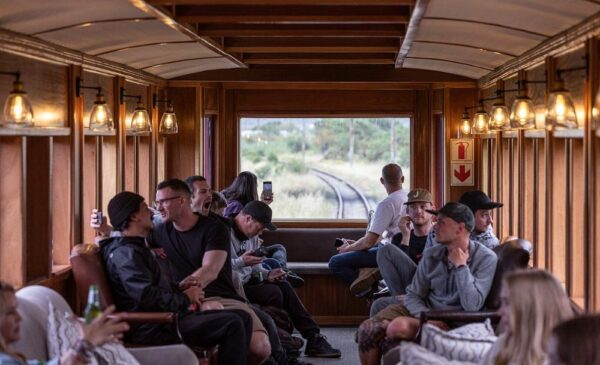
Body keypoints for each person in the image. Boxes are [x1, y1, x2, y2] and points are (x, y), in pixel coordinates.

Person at [100, 191, 254, 365]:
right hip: (154, 326)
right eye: (145, 209)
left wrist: (180, 287)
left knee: (243, 317)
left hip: (165, 317)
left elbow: (151, 287)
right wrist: (185, 298)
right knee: (233, 323)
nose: (152, 213)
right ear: (134, 216)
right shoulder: (126, 254)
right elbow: (146, 296)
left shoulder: (133, 247)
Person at [356, 202, 497, 365]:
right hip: (424, 313)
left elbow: (472, 306)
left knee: (397, 327)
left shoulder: (486, 258)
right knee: (367, 329)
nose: (435, 226)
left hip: (456, 321)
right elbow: (414, 295)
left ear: (460, 228)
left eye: (442, 222)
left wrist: (461, 267)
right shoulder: (432, 254)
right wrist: (426, 317)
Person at [148, 179, 271, 364]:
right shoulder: (160, 230)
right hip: (186, 299)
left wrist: (186, 287)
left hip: (221, 294)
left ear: (182, 200)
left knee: (261, 349)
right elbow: (126, 236)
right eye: (157, 203)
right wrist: (103, 230)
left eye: (163, 202)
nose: (159, 207)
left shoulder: (215, 228)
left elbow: (210, 269)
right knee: (216, 313)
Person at [230, 201, 341, 359]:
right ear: (248, 219)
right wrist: (241, 262)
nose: (260, 233)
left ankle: (313, 338)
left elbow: (254, 268)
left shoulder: (251, 235)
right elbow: (218, 266)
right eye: (260, 228)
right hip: (233, 287)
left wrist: (268, 274)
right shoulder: (223, 232)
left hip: (248, 281)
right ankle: (280, 341)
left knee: (282, 285)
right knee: (275, 293)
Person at [0, 281, 129, 365]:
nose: (19, 318)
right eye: (10, 312)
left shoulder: (12, 357)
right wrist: (83, 344)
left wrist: (82, 346)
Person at [328, 163, 408, 296]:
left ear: (382, 181)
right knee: (364, 251)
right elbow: (379, 238)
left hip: (387, 253)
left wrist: (347, 249)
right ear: (403, 179)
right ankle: (367, 274)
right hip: (397, 248)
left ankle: (370, 291)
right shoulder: (409, 197)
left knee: (335, 262)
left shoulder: (386, 204)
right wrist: (354, 245)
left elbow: (368, 242)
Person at [218, 172, 302, 287]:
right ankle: (285, 273)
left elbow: (257, 218)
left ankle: (283, 273)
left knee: (276, 254)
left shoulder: (234, 200)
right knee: (273, 261)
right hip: (240, 260)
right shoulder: (237, 208)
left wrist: (264, 203)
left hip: (246, 255)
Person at [479, 270, 575, 365]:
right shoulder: (505, 342)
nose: (499, 312)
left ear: (532, 308)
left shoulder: (556, 360)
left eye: (507, 303)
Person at [370, 188, 435, 315]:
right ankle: (402, 302)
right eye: (413, 207)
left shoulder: (439, 234)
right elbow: (400, 273)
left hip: (429, 288)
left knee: (386, 250)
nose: (418, 211)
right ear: (407, 211)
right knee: (377, 304)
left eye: (423, 206)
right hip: (407, 291)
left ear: (432, 209)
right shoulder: (400, 237)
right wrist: (406, 236)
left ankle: (408, 301)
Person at [426, 190, 502, 251]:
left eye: (490, 214)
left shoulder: (490, 243)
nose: (490, 220)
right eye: (484, 215)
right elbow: (425, 264)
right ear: (469, 217)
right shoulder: (436, 231)